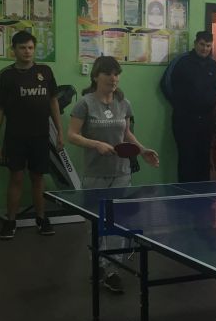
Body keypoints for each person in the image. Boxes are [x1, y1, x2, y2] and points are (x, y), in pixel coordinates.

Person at [68, 57, 159, 293]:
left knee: (118, 222)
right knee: (96, 223)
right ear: (96, 76)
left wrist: (142, 150)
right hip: (95, 174)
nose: (113, 78)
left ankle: (113, 270)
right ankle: (98, 264)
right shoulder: (85, 104)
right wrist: (95, 144)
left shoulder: (124, 103)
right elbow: (72, 135)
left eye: (116, 74)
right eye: (108, 74)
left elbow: (127, 133)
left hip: (121, 172)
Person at [0, 30, 63, 240]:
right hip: (15, 137)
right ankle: (10, 221)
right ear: (13, 50)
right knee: (16, 178)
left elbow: (53, 102)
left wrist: (60, 131)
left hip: (40, 136)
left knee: (38, 178)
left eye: (30, 47)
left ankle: (41, 219)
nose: (27, 51)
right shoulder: (6, 75)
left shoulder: (45, 71)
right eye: (22, 48)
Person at [161, 31, 216, 183]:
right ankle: (185, 195)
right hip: (184, 120)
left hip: (206, 120)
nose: (204, 49)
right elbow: (165, 84)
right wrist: (180, 105)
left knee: (203, 159)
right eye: (202, 44)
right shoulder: (181, 62)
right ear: (195, 44)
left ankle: (204, 195)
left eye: (208, 46)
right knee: (187, 159)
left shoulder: (214, 66)